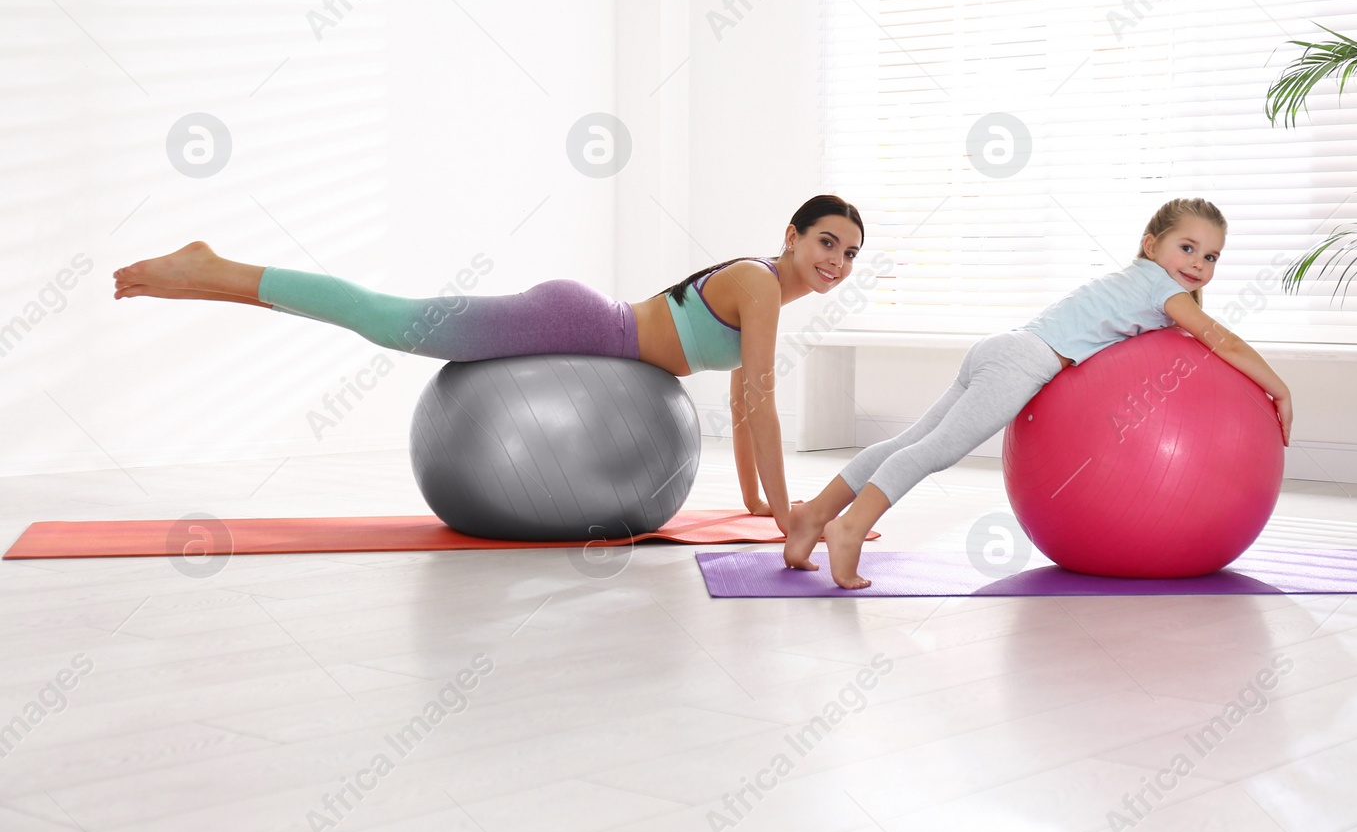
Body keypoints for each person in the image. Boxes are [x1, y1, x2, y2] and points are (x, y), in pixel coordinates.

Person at [112, 195, 866, 534]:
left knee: (387, 323)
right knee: (392, 319)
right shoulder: (763, 284)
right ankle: (213, 267)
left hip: (595, 339)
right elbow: (763, 401)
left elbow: (741, 403)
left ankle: (213, 277)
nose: (836, 260)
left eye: (850, 254)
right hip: (578, 325)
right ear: (793, 235)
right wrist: (790, 509)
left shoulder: (767, 293)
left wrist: (761, 506)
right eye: (827, 241)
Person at [784, 197, 1294, 589]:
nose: (1199, 263)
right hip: (1023, 360)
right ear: (1151, 242)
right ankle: (850, 529)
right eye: (1187, 247)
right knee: (932, 451)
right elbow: (1217, 337)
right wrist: (1279, 388)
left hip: (1003, 347)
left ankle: (812, 515)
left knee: (908, 442)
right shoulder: (1161, 288)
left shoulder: (1137, 280)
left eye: (1211, 256)